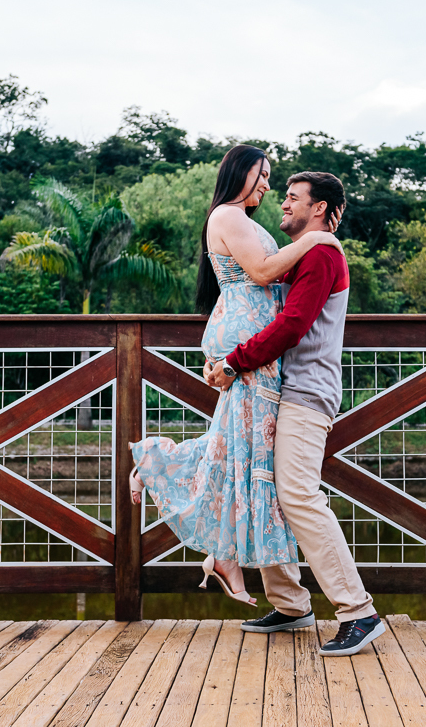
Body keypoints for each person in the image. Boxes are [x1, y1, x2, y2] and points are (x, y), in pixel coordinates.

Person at [128, 144, 341, 605]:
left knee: (239, 446)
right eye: (262, 174)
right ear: (239, 172)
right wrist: (315, 239)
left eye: (271, 178)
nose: (268, 185)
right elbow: (263, 272)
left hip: (252, 345)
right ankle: (159, 470)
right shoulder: (228, 215)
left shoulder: (241, 220)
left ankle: (225, 553)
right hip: (249, 344)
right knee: (245, 449)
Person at [203, 170, 384, 657]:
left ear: (319, 208)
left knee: (299, 495)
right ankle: (290, 605)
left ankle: (358, 611)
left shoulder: (322, 255)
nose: (282, 203)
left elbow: (292, 324)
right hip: (278, 390)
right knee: (268, 489)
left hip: (306, 391)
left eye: (292, 197)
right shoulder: (301, 255)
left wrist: (234, 362)